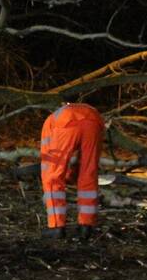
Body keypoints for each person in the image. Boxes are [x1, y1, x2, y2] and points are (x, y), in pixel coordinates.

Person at [39, 99, 104, 240]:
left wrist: (62, 176)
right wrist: (71, 175)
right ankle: (86, 226)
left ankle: (56, 227)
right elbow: (79, 163)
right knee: (89, 173)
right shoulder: (87, 109)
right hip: (95, 122)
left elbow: (49, 162)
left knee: (52, 177)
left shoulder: (51, 121)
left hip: (66, 124)